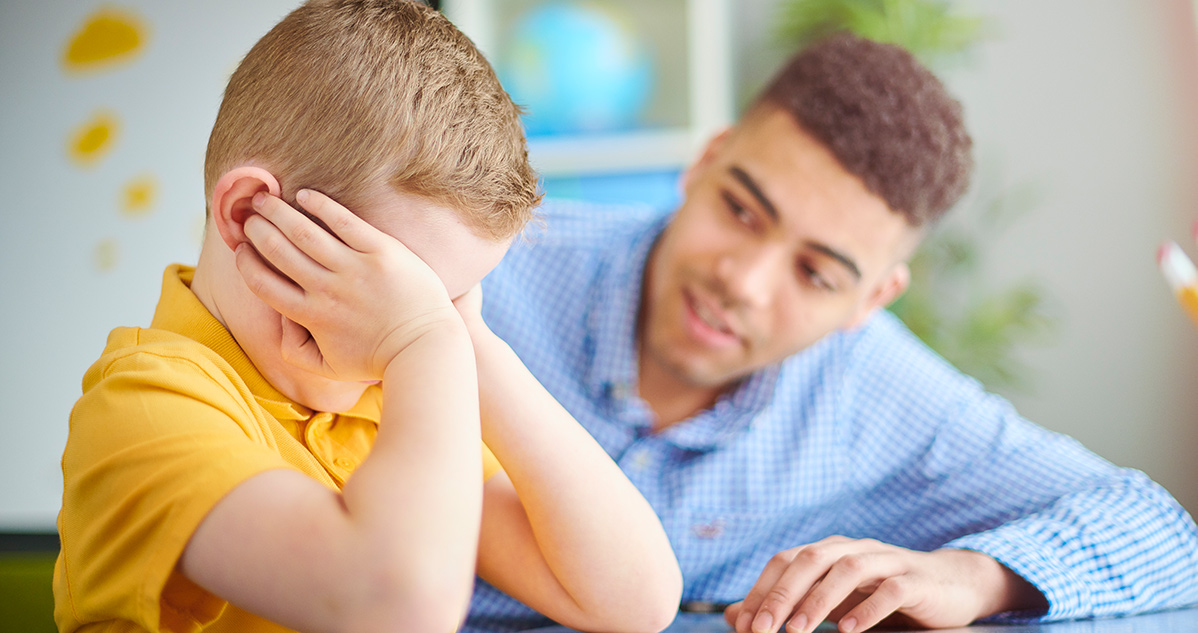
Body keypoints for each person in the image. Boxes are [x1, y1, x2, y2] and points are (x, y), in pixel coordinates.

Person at [465, 32, 1198, 633]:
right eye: (742, 210)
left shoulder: (874, 388)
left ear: (871, 299)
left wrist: (972, 575)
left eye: (815, 274)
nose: (742, 282)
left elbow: (1163, 534)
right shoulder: (488, 269)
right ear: (705, 159)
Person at [53, 2, 682, 632]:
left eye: (443, 299)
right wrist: (422, 342)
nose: (420, 319)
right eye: (394, 288)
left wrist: (469, 342)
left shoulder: (382, 404)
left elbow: (634, 603)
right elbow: (399, 610)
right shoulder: (144, 407)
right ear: (251, 217)